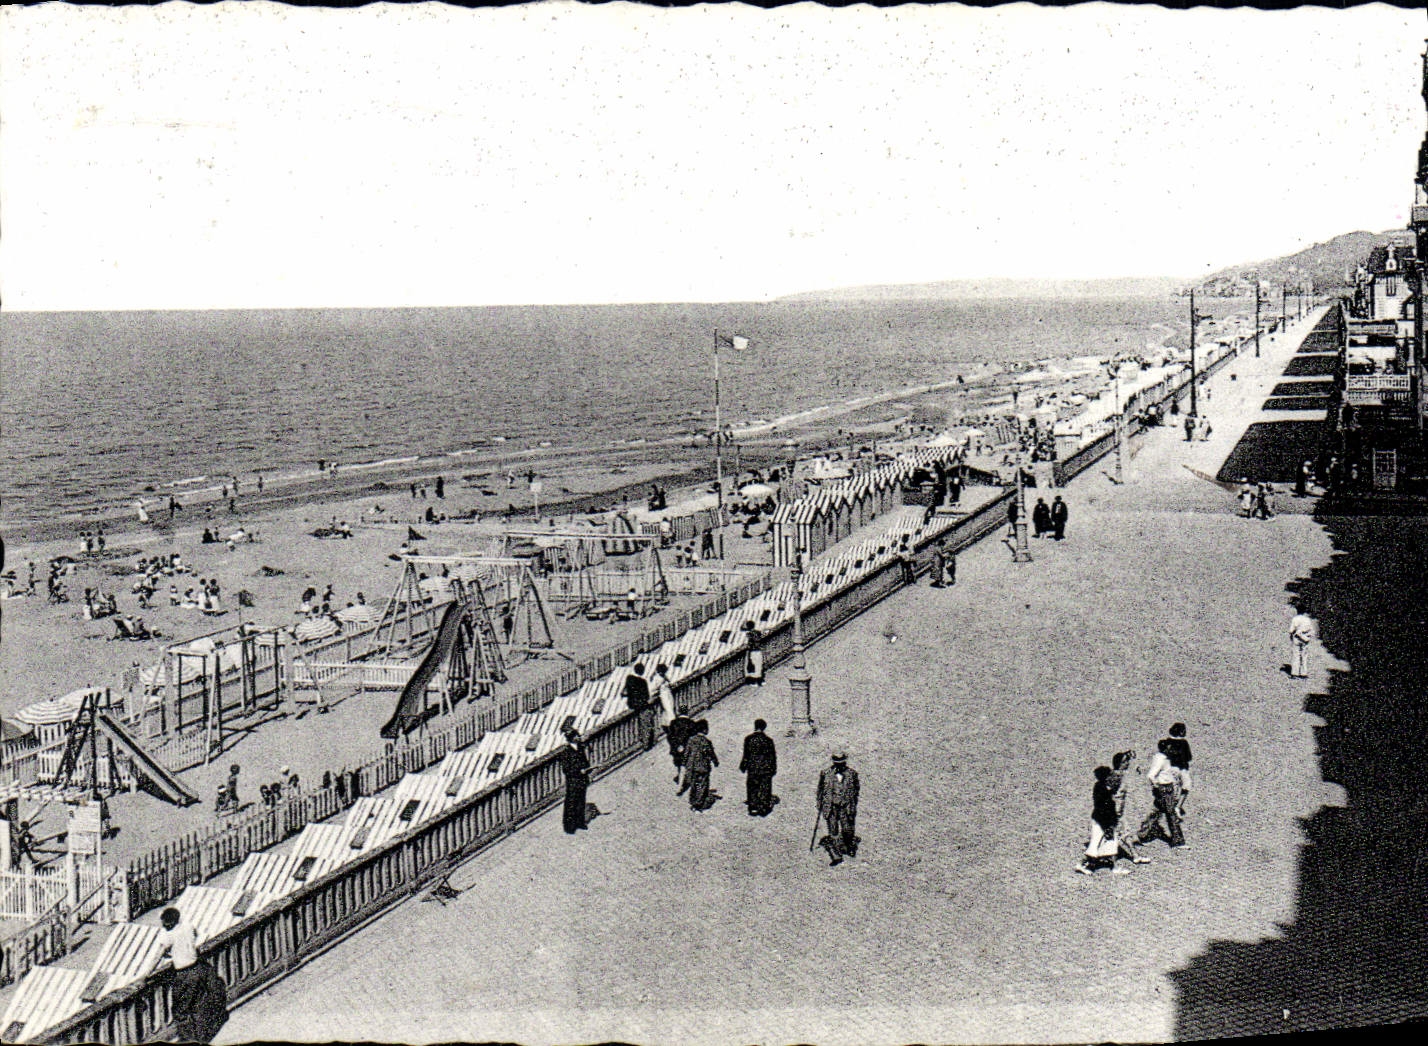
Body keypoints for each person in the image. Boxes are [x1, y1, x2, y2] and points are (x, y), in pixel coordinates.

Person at [159, 906, 227, 1042]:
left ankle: (188, 1039)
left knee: (181, 1009)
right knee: (198, 1005)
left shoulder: (169, 935)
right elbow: (195, 936)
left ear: (168, 922)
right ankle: (202, 1037)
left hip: (184, 973)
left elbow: (158, 955)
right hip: (197, 968)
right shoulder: (188, 927)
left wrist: (145, 975)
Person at [1135, 738, 1186, 849]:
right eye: (1169, 747)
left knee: (1155, 812)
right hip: (1165, 789)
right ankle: (1178, 841)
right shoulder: (1161, 760)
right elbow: (1151, 775)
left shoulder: (1160, 757)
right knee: (1171, 815)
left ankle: (1142, 835)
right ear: (1165, 748)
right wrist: (1157, 786)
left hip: (1165, 788)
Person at [1075, 766, 1127, 875]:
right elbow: (1104, 808)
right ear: (1106, 777)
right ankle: (1081, 864)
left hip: (1101, 820)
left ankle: (1115, 867)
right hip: (1102, 822)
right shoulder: (1103, 790)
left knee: (1111, 843)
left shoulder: (1099, 787)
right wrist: (1107, 826)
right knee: (1096, 843)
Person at [816, 751, 861, 866]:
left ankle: (848, 847)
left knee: (847, 829)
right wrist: (820, 804)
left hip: (846, 806)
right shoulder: (826, 773)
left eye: (841, 763)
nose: (839, 765)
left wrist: (851, 803)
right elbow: (820, 790)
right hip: (831, 806)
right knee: (833, 830)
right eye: (837, 763)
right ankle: (836, 855)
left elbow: (856, 789)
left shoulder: (852, 774)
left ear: (845, 762)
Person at [739, 719, 778, 817]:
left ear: (755, 726)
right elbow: (772, 756)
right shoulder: (768, 740)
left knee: (752, 786)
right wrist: (773, 768)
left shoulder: (748, 739)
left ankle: (753, 807)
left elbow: (746, 754)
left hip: (753, 768)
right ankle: (763, 808)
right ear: (764, 728)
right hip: (765, 768)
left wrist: (743, 765)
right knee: (765, 787)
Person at [558, 727, 590, 833]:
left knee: (581, 801)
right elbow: (566, 769)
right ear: (571, 738)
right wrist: (579, 771)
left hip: (582, 779)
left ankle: (580, 822)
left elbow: (585, 761)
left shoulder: (580, 748)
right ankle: (569, 827)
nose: (578, 737)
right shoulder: (566, 752)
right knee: (571, 803)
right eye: (576, 736)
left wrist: (586, 768)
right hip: (573, 781)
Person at [681, 720, 718, 811]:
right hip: (703, 767)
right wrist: (715, 761)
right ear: (704, 730)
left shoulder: (691, 740)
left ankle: (693, 801)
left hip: (692, 767)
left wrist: (684, 762)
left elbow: (686, 753)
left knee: (694, 784)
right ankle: (698, 804)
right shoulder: (706, 741)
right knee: (702, 785)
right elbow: (711, 753)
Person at [624, 662, 657, 749]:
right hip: (642, 705)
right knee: (646, 724)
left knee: (642, 724)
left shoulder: (629, 679)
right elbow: (646, 696)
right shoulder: (643, 682)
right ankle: (647, 744)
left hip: (633, 705)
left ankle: (645, 742)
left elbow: (625, 692)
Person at [1163, 723, 1193, 819]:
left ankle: (1171, 807)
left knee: (1173, 788)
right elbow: (1189, 757)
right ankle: (1178, 806)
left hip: (1170, 768)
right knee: (1186, 786)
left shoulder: (1167, 742)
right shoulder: (1184, 743)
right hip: (1182, 769)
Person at [1289, 609, 1315, 679]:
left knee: (1296, 655)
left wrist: (1292, 635)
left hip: (1296, 638)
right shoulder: (1307, 620)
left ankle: (1295, 673)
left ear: (1297, 611)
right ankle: (1304, 673)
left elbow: (1291, 630)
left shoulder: (1295, 619)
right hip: (1304, 639)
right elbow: (1311, 630)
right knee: (1304, 656)